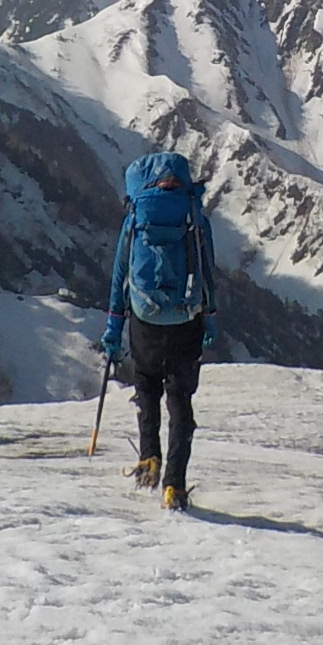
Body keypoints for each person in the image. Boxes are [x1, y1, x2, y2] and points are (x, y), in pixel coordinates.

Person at [100, 150, 219, 510]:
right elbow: (208, 270)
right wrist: (209, 316)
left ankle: (149, 458)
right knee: (180, 401)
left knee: (147, 388)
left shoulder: (136, 216)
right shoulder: (194, 216)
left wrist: (113, 327)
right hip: (187, 318)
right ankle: (175, 486)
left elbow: (121, 276)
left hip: (144, 319)